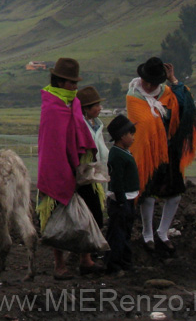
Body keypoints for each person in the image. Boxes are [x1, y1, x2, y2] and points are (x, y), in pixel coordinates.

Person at [126, 57, 196, 256]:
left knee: (174, 194)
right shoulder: (134, 96)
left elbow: (185, 106)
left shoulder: (168, 93)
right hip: (147, 152)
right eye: (147, 80)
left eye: (153, 82)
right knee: (148, 193)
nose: (148, 84)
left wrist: (174, 80)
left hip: (169, 151)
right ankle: (147, 234)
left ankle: (163, 232)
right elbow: (144, 124)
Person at [36, 57, 97, 279]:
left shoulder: (75, 103)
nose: (75, 87)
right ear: (60, 82)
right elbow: (52, 144)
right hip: (55, 169)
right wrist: (62, 168)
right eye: (72, 83)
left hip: (77, 166)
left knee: (87, 210)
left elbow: (79, 131)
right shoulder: (52, 106)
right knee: (56, 215)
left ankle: (85, 258)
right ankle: (59, 264)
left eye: (76, 83)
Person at [76, 85, 107, 273]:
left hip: (95, 176)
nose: (99, 108)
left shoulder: (97, 125)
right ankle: (86, 256)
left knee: (95, 214)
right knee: (90, 215)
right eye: (96, 105)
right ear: (86, 108)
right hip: (84, 178)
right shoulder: (81, 126)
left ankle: (89, 253)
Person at [104, 114, 139, 276]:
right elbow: (117, 181)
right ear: (121, 136)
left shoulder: (123, 152)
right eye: (131, 134)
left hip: (127, 199)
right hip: (120, 201)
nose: (133, 137)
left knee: (124, 233)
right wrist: (121, 201)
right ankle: (114, 264)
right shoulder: (117, 155)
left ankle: (125, 262)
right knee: (117, 234)